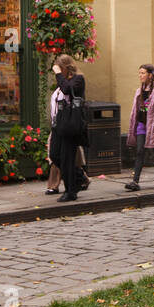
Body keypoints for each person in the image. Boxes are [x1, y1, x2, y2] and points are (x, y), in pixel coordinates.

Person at [124, 64, 154, 190]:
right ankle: (135, 181)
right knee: (140, 151)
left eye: (143, 73)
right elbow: (135, 111)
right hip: (141, 125)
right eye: (139, 73)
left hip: (153, 127)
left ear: (150, 75)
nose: (140, 75)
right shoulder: (139, 91)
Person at [50, 54, 89, 202]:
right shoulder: (64, 80)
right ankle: (78, 177)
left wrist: (58, 74)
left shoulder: (78, 79)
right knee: (54, 155)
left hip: (71, 124)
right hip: (59, 123)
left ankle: (70, 191)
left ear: (65, 67)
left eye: (59, 68)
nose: (57, 71)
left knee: (67, 158)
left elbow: (67, 90)